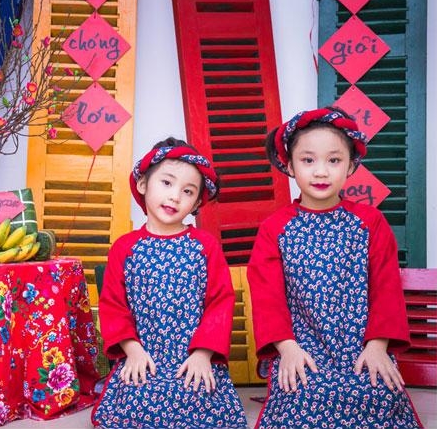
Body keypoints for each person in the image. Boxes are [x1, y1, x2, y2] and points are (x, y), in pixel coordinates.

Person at [247, 107, 423, 428]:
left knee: (376, 392)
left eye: (334, 160)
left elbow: (386, 288)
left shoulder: (370, 223)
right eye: (308, 160)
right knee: (302, 394)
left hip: (361, 344)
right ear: (289, 165)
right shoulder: (275, 228)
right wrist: (287, 348)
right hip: (302, 344)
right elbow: (267, 296)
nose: (321, 172)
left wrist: (377, 346)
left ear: (351, 165)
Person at [91, 137, 247, 428]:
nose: (175, 196)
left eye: (187, 191)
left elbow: (220, 302)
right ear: (142, 184)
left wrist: (203, 354)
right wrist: (133, 351)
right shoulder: (125, 247)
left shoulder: (205, 246)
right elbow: (113, 305)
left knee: (199, 397)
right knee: (137, 401)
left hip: (191, 359)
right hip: (144, 357)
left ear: (197, 202)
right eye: (166, 183)